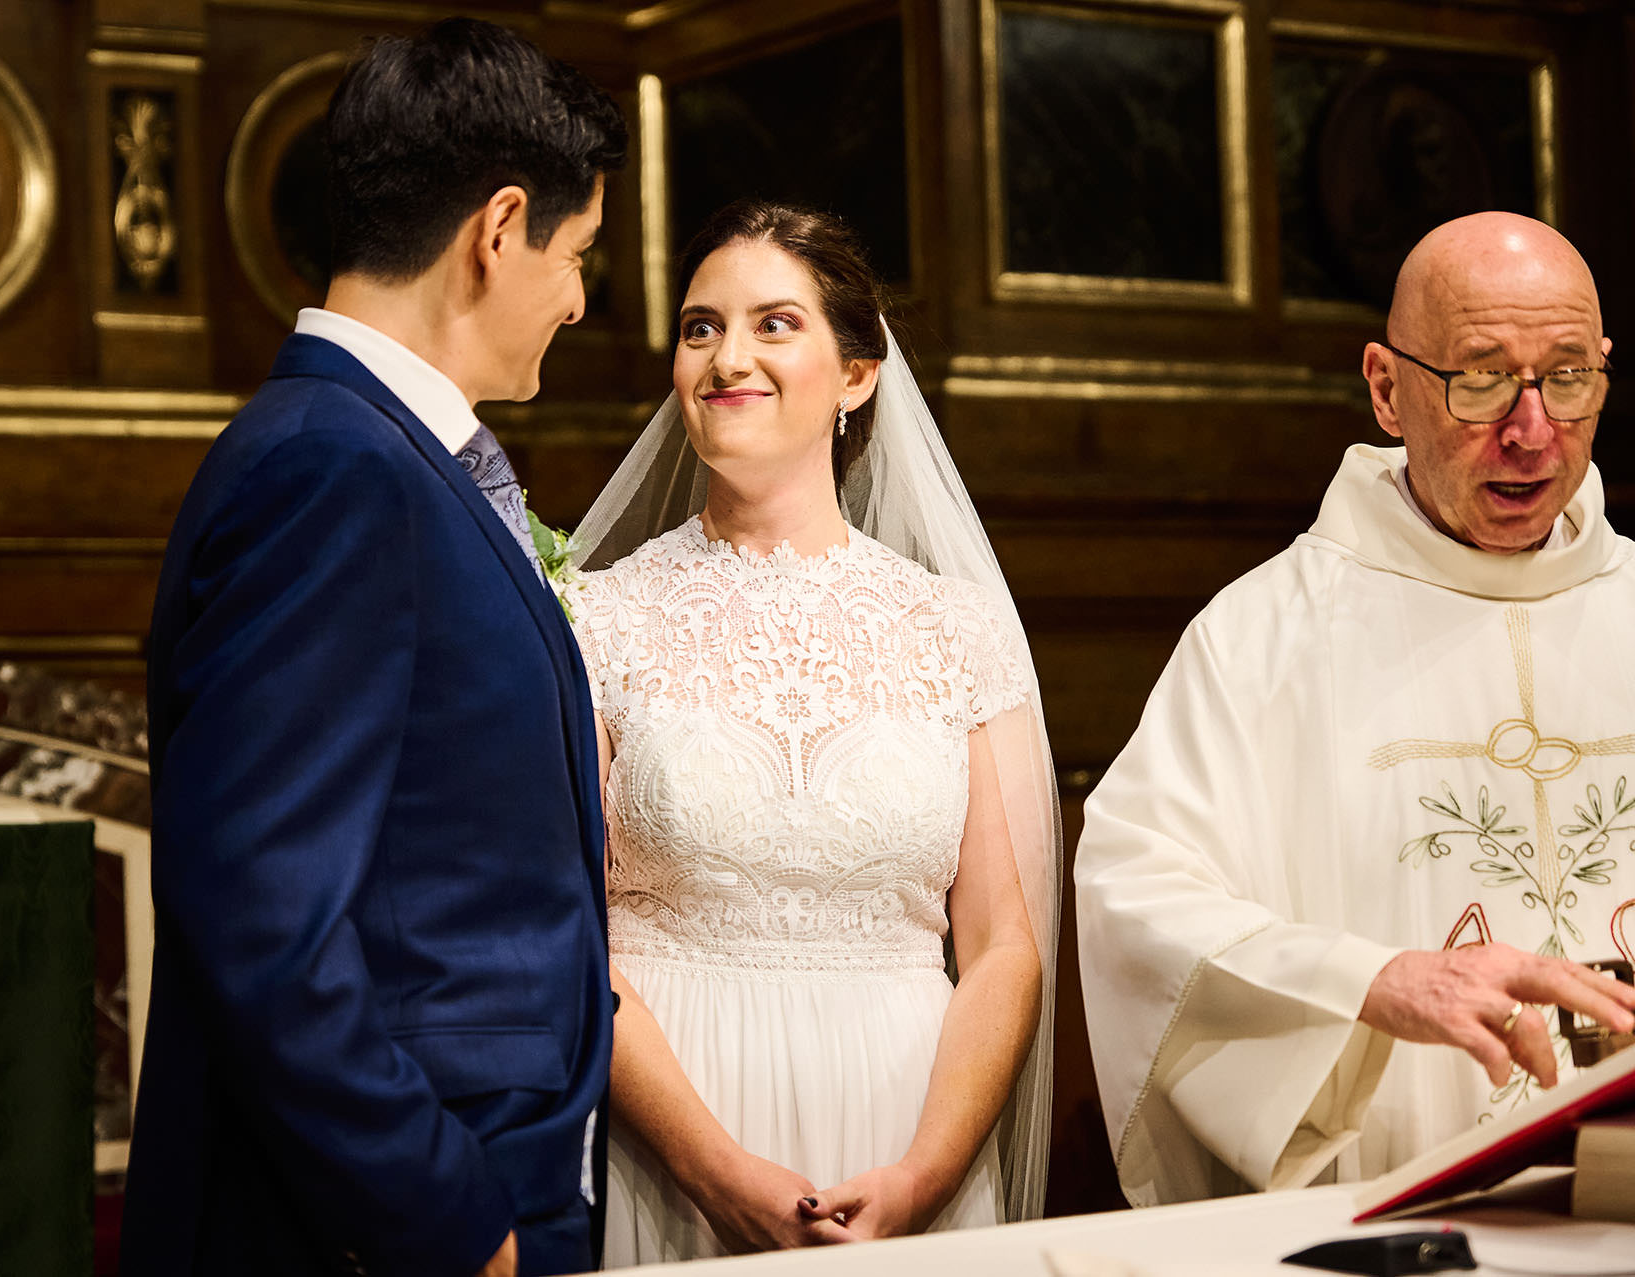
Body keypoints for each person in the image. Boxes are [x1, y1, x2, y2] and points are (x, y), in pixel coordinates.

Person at [123, 20, 626, 1277]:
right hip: (390, 1219)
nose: (575, 296)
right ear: (498, 230)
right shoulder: (334, 470)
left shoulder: (362, 449)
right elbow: (261, 912)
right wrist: (450, 1216)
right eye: (577, 254)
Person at [1076, 211, 1635, 1207]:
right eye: (1481, 377)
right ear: (1386, 386)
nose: (1532, 426)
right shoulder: (1268, 637)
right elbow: (1138, 889)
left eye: (1567, 375)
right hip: (1411, 1202)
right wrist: (1371, 984)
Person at [569, 202, 1059, 1264]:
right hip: (675, 1144)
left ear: (856, 373)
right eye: (701, 327)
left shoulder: (954, 626)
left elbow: (1002, 949)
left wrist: (924, 1175)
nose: (725, 357)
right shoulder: (597, 619)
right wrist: (713, 1169)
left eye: (773, 323)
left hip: (902, 1137)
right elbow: (567, 936)